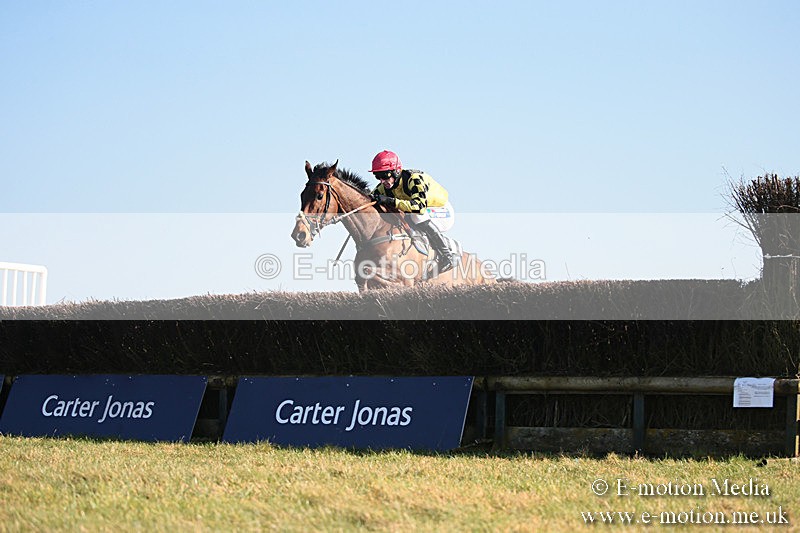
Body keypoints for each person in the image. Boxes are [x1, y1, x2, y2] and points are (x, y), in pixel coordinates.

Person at [369, 150, 460, 273]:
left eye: (385, 175)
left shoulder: (414, 179)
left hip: (442, 211)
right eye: (377, 176)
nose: (381, 180)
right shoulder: (383, 187)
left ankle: (448, 256)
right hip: (419, 212)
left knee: (417, 216)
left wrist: (391, 201)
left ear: (396, 171)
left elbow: (419, 207)